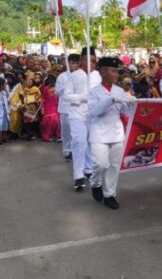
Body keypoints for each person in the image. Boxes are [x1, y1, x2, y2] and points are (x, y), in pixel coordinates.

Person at [88, 57, 135, 209]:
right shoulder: (94, 92)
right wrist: (110, 100)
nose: (116, 74)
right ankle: (95, 183)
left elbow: (125, 111)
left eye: (117, 71)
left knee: (113, 166)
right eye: (113, 71)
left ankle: (109, 194)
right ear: (103, 72)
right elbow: (93, 111)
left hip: (116, 132)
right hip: (99, 132)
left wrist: (131, 103)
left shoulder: (119, 90)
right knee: (100, 164)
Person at [63, 47, 101, 192]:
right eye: (87, 60)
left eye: (93, 60)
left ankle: (88, 168)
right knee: (79, 142)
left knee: (91, 142)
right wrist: (81, 97)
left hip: (93, 113)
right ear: (81, 61)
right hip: (77, 113)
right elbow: (66, 95)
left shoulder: (98, 76)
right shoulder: (74, 75)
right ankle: (78, 175)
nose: (90, 63)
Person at [56, 54, 79, 161]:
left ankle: (77, 150)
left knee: (77, 131)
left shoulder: (82, 76)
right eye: (72, 63)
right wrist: (67, 85)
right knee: (66, 131)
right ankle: (67, 150)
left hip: (78, 108)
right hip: (65, 108)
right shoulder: (62, 77)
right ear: (68, 64)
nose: (75, 65)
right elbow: (57, 92)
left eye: (76, 63)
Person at [40, 75, 62, 142]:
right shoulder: (45, 88)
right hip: (48, 106)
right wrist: (42, 108)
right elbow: (43, 98)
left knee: (57, 121)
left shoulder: (57, 88)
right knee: (49, 121)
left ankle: (57, 135)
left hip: (56, 106)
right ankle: (46, 136)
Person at [20, 74, 42, 141]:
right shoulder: (24, 89)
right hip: (26, 107)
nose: (28, 82)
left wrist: (38, 101)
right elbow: (22, 98)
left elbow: (39, 97)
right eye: (27, 81)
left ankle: (32, 134)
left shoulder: (35, 89)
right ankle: (30, 134)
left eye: (30, 81)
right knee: (27, 122)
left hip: (32, 106)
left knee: (32, 121)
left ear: (33, 82)